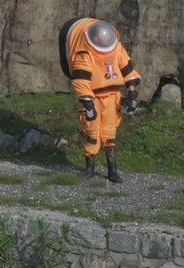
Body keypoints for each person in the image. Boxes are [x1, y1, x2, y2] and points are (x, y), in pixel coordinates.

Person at [59, 18, 140, 183]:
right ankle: (89, 169)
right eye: (97, 39)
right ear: (93, 38)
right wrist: (88, 104)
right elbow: (81, 81)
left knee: (109, 133)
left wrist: (132, 94)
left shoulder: (116, 48)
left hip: (112, 97)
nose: (100, 42)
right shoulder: (85, 53)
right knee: (93, 133)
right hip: (94, 97)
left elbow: (128, 69)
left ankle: (112, 171)